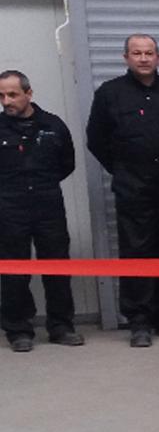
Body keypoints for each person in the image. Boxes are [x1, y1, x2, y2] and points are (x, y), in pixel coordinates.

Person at [86, 33, 159, 347]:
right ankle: (140, 321)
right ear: (126, 58)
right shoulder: (110, 93)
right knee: (137, 252)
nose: (144, 58)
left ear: (158, 57)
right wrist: (123, 170)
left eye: (149, 53)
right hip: (133, 189)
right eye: (137, 53)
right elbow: (96, 139)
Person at [0, 70, 84, 352]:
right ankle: (18, 330)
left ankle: (61, 326)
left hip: (48, 205)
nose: (7, 101)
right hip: (10, 207)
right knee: (14, 271)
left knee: (57, 267)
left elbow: (67, 163)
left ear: (29, 93)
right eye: (1, 96)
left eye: (13, 95)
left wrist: (42, 185)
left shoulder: (53, 125)